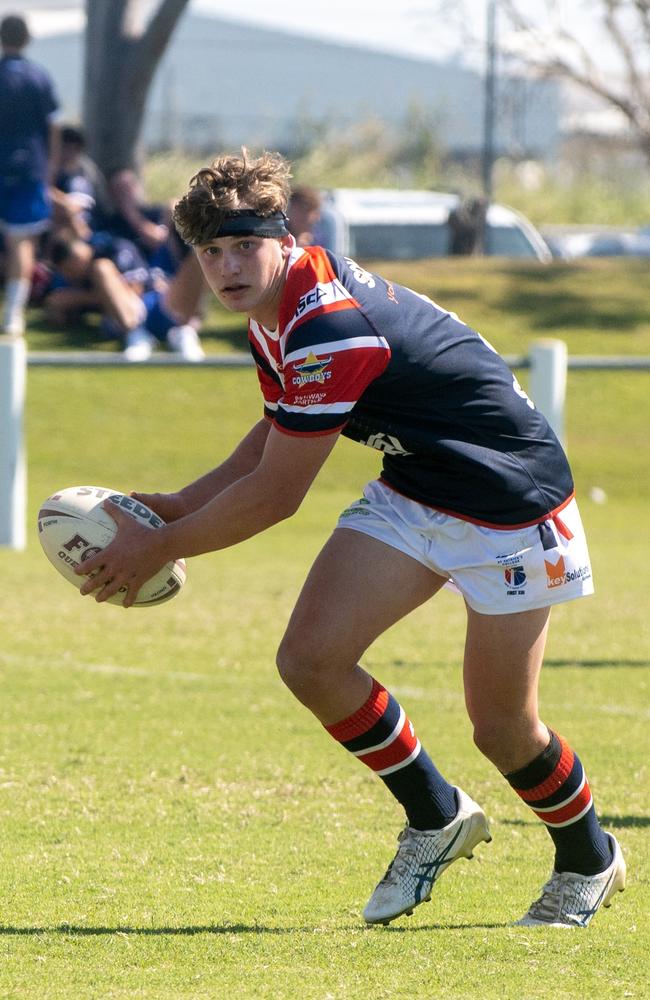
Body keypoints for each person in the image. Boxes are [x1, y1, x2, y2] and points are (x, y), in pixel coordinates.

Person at [74, 149, 626, 929]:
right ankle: (437, 817)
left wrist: (159, 547)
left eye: (242, 247)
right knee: (311, 659)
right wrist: (178, 504)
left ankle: (588, 857)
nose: (227, 267)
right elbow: (270, 437)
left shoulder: (329, 323)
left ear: (284, 235)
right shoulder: (276, 307)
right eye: (209, 253)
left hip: (511, 506)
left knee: (503, 726)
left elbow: (275, 494)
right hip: (416, 488)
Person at [45, 230, 206, 361]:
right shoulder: (69, 278)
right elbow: (56, 307)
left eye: (70, 268)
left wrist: (78, 299)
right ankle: (138, 335)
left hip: (147, 303)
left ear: (76, 256)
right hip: (121, 320)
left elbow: (135, 289)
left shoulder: (114, 248)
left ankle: (183, 333)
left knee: (200, 253)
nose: (69, 274)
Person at [0, 13, 60, 336]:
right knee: (22, 242)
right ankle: (13, 313)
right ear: (26, 39)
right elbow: (53, 127)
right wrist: (48, 168)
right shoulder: (39, 77)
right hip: (29, 169)